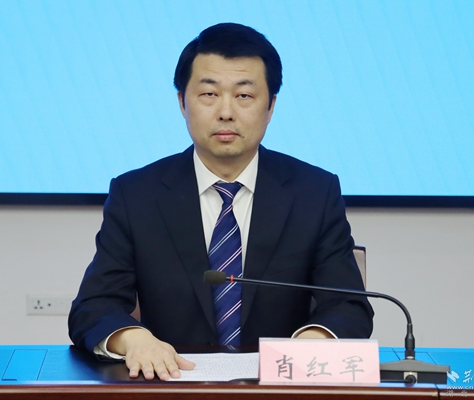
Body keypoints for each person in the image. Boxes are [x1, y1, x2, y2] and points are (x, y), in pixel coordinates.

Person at [69, 22, 373, 381]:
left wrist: (313, 342)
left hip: (279, 389)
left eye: (244, 96)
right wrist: (134, 340)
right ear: (182, 103)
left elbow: (348, 305)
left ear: (270, 106)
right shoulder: (137, 194)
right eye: (209, 94)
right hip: (171, 387)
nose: (226, 112)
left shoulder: (314, 192)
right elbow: (94, 306)